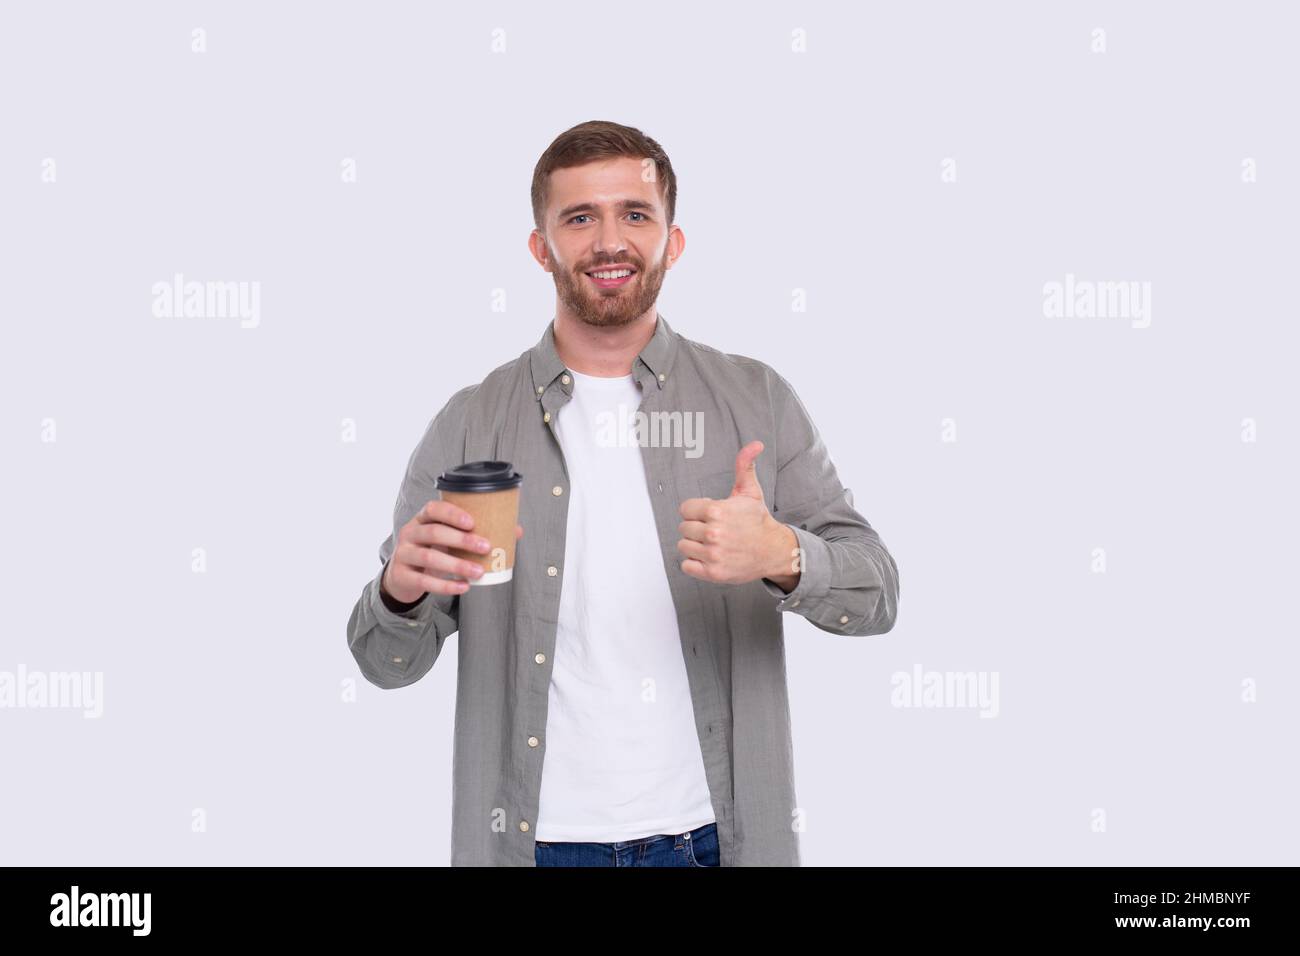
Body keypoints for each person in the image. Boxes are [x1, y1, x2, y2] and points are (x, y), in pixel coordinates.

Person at [346, 120, 900, 866]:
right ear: (541, 247)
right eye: (580, 218)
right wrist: (400, 593)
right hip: (534, 846)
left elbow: (879, 597)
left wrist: (784, 554)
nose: (610, 242)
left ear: (672, 240)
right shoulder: (470, 423)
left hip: (713, 840)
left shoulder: (756, 400)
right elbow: (385, 664)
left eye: (634, 215)